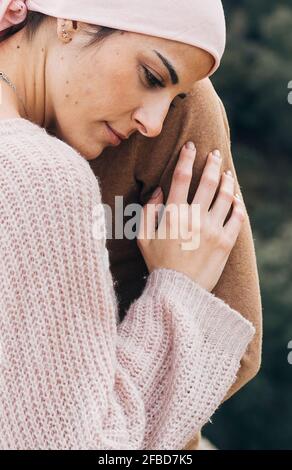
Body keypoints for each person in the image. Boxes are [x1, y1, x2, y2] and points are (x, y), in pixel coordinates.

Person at [0, 0, 260, 450]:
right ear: (71, 19)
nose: (155, 124)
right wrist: (179, 293)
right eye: (152, 78)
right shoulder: (40, 178)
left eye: (175, 100)